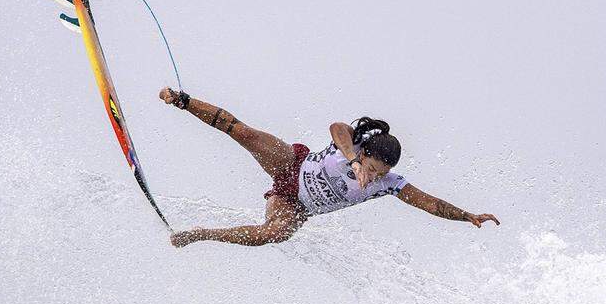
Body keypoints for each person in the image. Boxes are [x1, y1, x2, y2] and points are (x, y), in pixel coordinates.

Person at [158, 88, 500, 247]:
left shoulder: (389, 184)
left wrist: (466, 215)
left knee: (271, 234)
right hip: (293, 162)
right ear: (364, 151)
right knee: (244, 133)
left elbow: (428, 202)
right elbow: (337, 127)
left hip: (295, 204)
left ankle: (199, 235)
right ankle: (182, 100)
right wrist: (353, 160)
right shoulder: (349, 142)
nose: (375, 177)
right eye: (373, 167)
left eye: (382, 174)